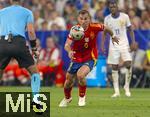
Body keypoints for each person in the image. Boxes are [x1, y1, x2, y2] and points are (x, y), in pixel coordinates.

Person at [59, 10, 119, 107]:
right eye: (81, 19)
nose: (83, 21)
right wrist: (69, 51)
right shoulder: (74, 30)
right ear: (78, 19)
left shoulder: (94, 27)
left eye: (86, 19)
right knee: (68, 81)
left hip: (90, 57)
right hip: (76, 58)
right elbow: (67, 44)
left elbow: (106, 27)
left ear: (89, 19)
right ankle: (67, 98)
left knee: (80, 75)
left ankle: (82, 97)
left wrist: (113, 36)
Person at [0, 0, 42, 114]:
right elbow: (31, 32)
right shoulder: (27, 12)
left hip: (2, 43)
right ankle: (36, 101)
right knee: (35, 73)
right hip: (19, 43)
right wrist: (34, 49)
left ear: (10, 0)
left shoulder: (1, 12)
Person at [101, 0, 137, 97]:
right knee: (114, 66)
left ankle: (126, 87)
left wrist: (133, 42)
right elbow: (104, 33)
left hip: (124, 44)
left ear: (117, 7)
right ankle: (116, 91)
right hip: (113, 45)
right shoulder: (107, 19)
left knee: (128, 63)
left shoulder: (125, 17)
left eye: (114, 6)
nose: (112, 8)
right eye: (111, 7)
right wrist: (102, 44)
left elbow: (130, 29)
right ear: (109, 8)